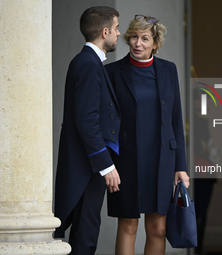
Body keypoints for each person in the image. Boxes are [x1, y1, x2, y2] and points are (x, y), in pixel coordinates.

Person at [105, 15, 190, 255]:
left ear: (155, 43)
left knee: (157, 228)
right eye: (134, 37)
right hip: (125, 161)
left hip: (161, 160)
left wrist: (180, 166)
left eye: (145, 38)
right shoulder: (111, 72)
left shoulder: (168, 70)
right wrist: (106, 163)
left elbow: (175, 119)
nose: (138, 43)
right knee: (128, 225)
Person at [54, 6, 121, 255]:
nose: (118, 33)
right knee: (85, 236)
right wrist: (106, 165)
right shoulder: (88, 64)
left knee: (85, 233)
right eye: (116, 28)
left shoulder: (87, 62)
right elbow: (86, 121)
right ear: (105, 32)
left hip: (87, 165)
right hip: (86, 167)